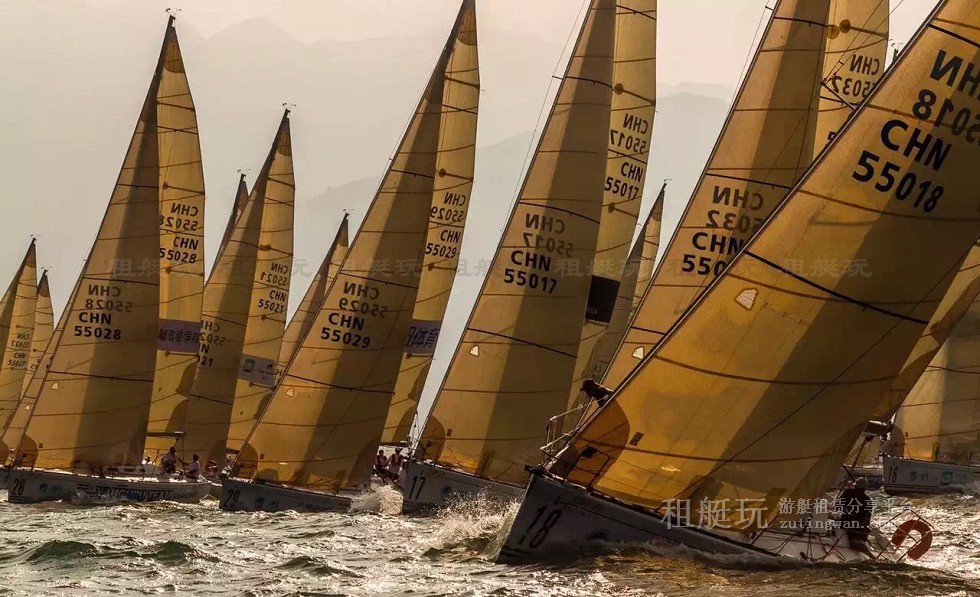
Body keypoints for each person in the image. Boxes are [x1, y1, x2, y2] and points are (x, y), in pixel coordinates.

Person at [838, 477, 874, 556]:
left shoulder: (850, 493)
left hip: (855, 525)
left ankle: (870, 556)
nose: (856, 490)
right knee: (854, 539)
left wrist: (862, 527)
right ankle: (871, 555)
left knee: (854, 541)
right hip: (848, 522)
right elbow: (839, 505)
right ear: (865, 488)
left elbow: (867, 518)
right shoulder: (849, 493)